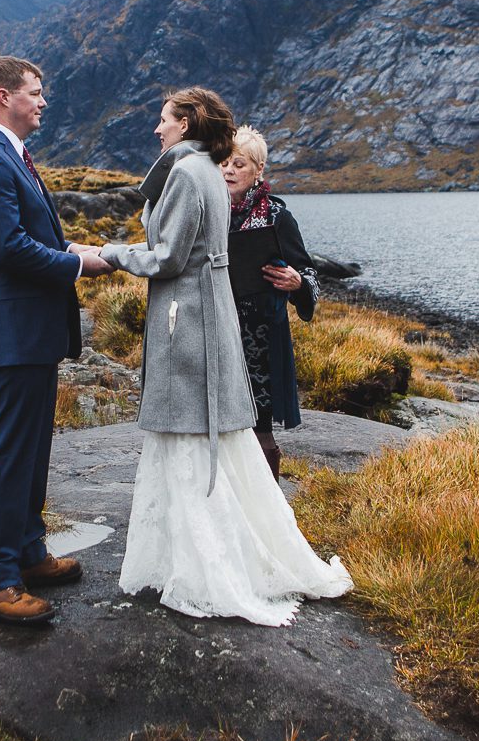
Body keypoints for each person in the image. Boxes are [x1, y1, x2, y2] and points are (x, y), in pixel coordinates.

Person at [95, 87, 351, 626]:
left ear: (185, 124)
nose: (157, 130)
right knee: (215, 432)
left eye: (163, 120)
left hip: (192, 320)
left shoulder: (190, 175)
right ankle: (196, 556)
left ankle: (204, 567)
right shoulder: (207, 172)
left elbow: (167, 256)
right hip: (216, 316)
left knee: (191, 433)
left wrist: (104, 255)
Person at [0, 55, 112, 625]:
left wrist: (68, 252)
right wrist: (78, 268)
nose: (43, 102)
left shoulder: (9, 154)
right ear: (2, 97)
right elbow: (9, 248)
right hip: (10, 332)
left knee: (33, 447)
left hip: (31, 333)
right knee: (6, 451)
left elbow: (27, 238)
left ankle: (28, 551)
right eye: (34, 93)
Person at [219, 125, 319, 479]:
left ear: (258, 170)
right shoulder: (210, 211)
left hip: (261, 337)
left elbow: (308, 273)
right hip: (218, 329)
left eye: (239, 164)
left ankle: (268, 508)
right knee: (220, 425)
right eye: (224, 163)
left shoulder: (277, 217)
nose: (229, 171)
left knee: (260, 426)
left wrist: (296, 283)